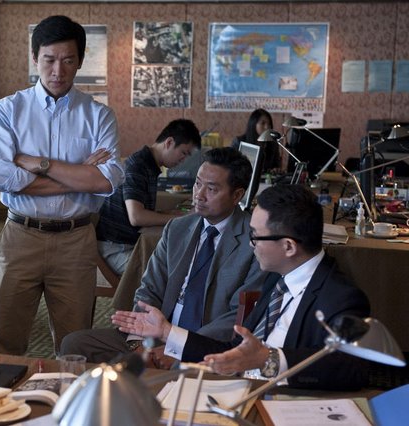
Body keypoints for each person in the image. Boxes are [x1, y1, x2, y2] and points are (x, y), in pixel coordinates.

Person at [113, 184, 370, 389]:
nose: (250, 244)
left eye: (255, 236)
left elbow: (353, 368)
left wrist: (268, 359)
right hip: (237, 389)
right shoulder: (278, 280)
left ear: (288, 246)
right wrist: (168, 332)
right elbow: (237, 351)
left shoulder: (339, 296)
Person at [0, 15, 125, 355]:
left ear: (80, 60)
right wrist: (79, 174)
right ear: (35, 58)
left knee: (75, 345)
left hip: (76, 240)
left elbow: (106, 180)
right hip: (21, 236)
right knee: (3, 342)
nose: (58, 71)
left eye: (68, 60)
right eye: (49, 60)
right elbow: (1, 178)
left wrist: (40, 164)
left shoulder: (99, 116)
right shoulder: (7, 110)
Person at [61, 147, 266, 363]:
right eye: (198, 184)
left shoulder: (255, 242)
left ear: (237, 195)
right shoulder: (177, 228)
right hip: (156, 334)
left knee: (164, 368)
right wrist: (140, 342)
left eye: (212, 189)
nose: (199, 195)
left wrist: (180, 347)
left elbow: (236, 317)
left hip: (205, 345)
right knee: (74, 344)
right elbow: (149, 289)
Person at [96, 119, 201, 275]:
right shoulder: (138, 165)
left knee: (179, 262)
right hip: (115, 249)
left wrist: (177, 213)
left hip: (128, 244)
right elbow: (137, 217)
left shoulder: (148, 165)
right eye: (183, 153)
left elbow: (143, 211)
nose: (183, 160)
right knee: (169, 273)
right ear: (169, 142)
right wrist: (181, 217)